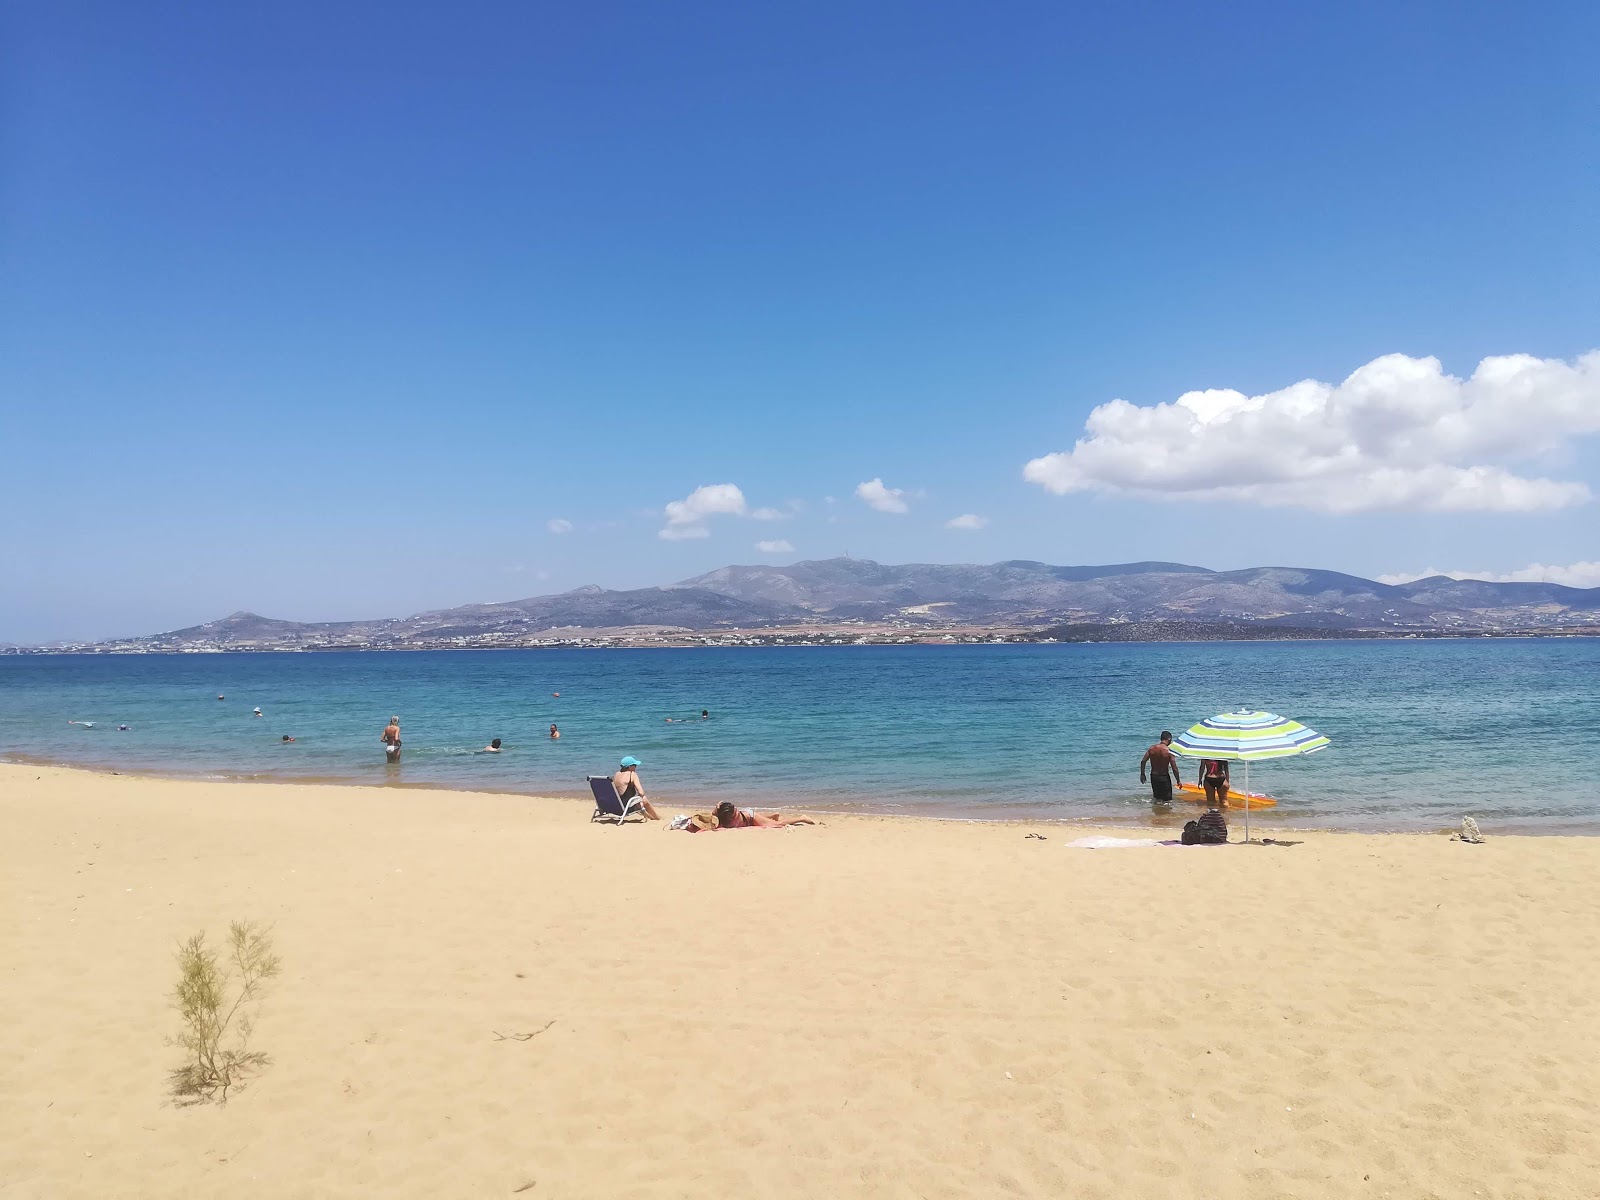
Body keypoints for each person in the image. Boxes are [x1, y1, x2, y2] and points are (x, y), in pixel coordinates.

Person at [1139, 731, 1181, 806]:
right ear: (1169, 739)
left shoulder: (1152, 748)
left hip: (1154, 777)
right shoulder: (1169, 751)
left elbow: (1143, 761)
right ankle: (1166, 815)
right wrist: (1178, 780)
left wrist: (1142, 774)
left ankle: (1157, 814)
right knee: (1167, 801)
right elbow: (1174, 767)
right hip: (1164, 777)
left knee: (1157, 799)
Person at [711, 800, 817, 829]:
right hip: (748, 817)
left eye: (736, 811)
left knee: (777, 824)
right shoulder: (723, 820)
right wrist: (716, 810)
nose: (736, 812)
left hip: (750, 817)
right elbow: (712, 818)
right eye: (734, 813)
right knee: (767, 820)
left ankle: (802, 818)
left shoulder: (736, 814)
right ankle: (773, 815)